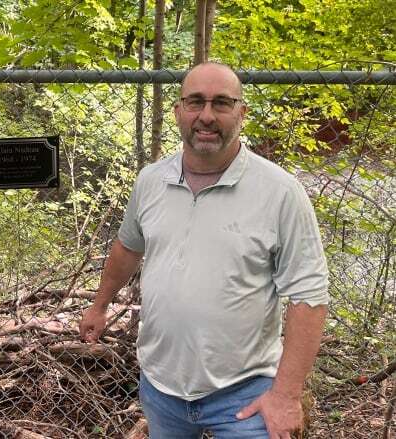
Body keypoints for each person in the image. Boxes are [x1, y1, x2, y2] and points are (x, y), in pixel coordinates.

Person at [79, 62, 329, 438]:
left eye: (222, 104)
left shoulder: (280, 193)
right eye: (195, 102)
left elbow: (309, 295)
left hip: (245, 396)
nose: (207, 116)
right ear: (179, 110)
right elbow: (128, 247)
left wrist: (287, 395)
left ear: (241, 113)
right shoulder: (151, 181)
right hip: (161, 387)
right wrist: (99, 305)